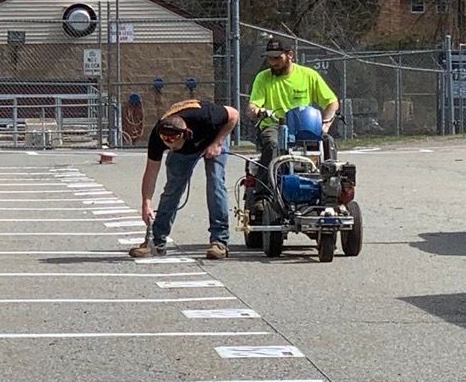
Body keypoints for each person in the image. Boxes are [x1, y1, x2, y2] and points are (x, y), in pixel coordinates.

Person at [128, 94, 238, 259]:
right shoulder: (157, 137)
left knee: (215, 182)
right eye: (166, 143)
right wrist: (146, 203)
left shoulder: (207, 116)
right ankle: (156, 242)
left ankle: (219, 241)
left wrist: (217, 143)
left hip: (214, 137)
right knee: (173, 188)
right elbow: (151, 172)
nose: (170, 147)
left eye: (173, 143)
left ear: (185, 134)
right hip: (187, 151)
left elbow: (234, 114)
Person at [247, 38, 339, 183]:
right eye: (270, 58)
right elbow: (253, 106)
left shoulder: (309, 75)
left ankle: (330, 184)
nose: (272, 63)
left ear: (290, 55)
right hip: (275, 125)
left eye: (277, 58)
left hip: (303, 126)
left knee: (327, 141)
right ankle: (264, 191)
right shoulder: (263, 78)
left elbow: (332, 102)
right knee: (272, 143)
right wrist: (256, 111)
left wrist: (325, 124)